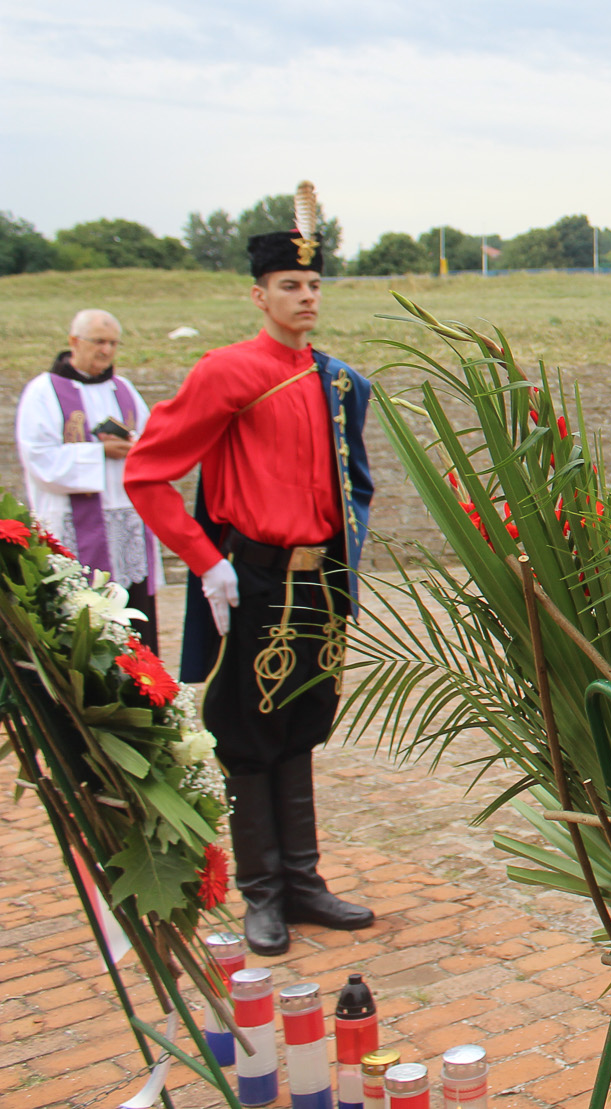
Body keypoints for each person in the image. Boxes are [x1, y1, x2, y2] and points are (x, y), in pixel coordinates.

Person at [125, 195, 376, 957]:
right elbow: (146, 473)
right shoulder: (227, 371)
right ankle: (262, 891)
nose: (306, 297)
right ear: (259, 294)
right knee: (246, 733)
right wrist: (206, 562)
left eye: (314, 285)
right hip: (254, 579)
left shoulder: (334, 380)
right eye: (289, 285)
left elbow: (353, 483)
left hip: (317, 580)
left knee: (300, 725)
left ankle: (302, 880)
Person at [15, 309, 166, 648]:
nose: (106, 350)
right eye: (99, 341)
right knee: (80, 619)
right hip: (75, 521)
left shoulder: (124, 389)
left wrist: (134, 445)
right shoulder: (43, 392)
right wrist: (99, 453)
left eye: (113, 343)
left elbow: (151, 441)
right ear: (74, 341)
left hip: (126, 520)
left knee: (134, 614)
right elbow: (39, 458)